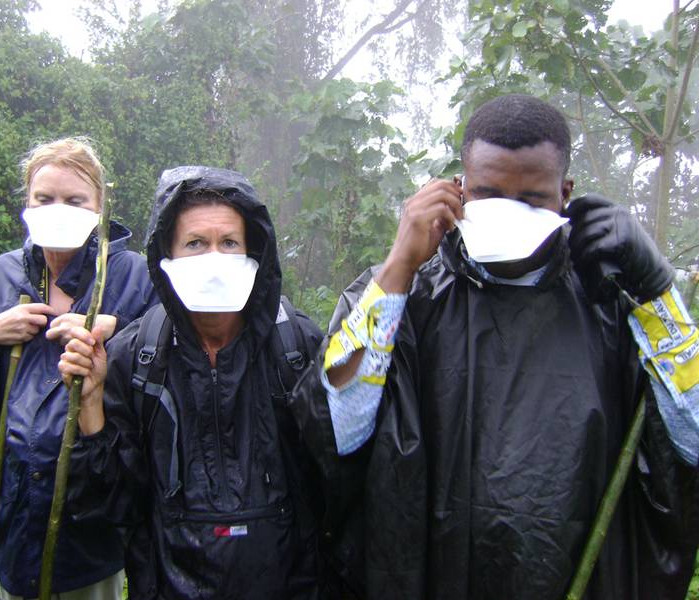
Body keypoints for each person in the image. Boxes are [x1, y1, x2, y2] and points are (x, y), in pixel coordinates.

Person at [290, 94, 699, 599]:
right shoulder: (404, 294)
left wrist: (656, 292)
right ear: (458, 189)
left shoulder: (611, 302)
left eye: (530, 199)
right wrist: (398, 265)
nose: (509, 212)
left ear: (565, 194)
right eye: (488, 194)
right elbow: (337, 431)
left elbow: (692, 440)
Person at [58, 166, 327, 599]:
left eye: (230, 243)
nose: (214, 259)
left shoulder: (294, 345)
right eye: (196, 244)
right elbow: (110, 505)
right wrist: (90, 405)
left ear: (254, 254)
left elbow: (333, 481)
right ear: (166, 256)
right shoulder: (134, 357)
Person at [0, 137, 157, 599]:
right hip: (14, 511)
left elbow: (169, 369)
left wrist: (119, 329)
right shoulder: (1, 277)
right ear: (27, 204)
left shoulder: (134, 275)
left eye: (75, 200)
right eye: (45, 198)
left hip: (94, 511)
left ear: (99, 207)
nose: (58, 208)